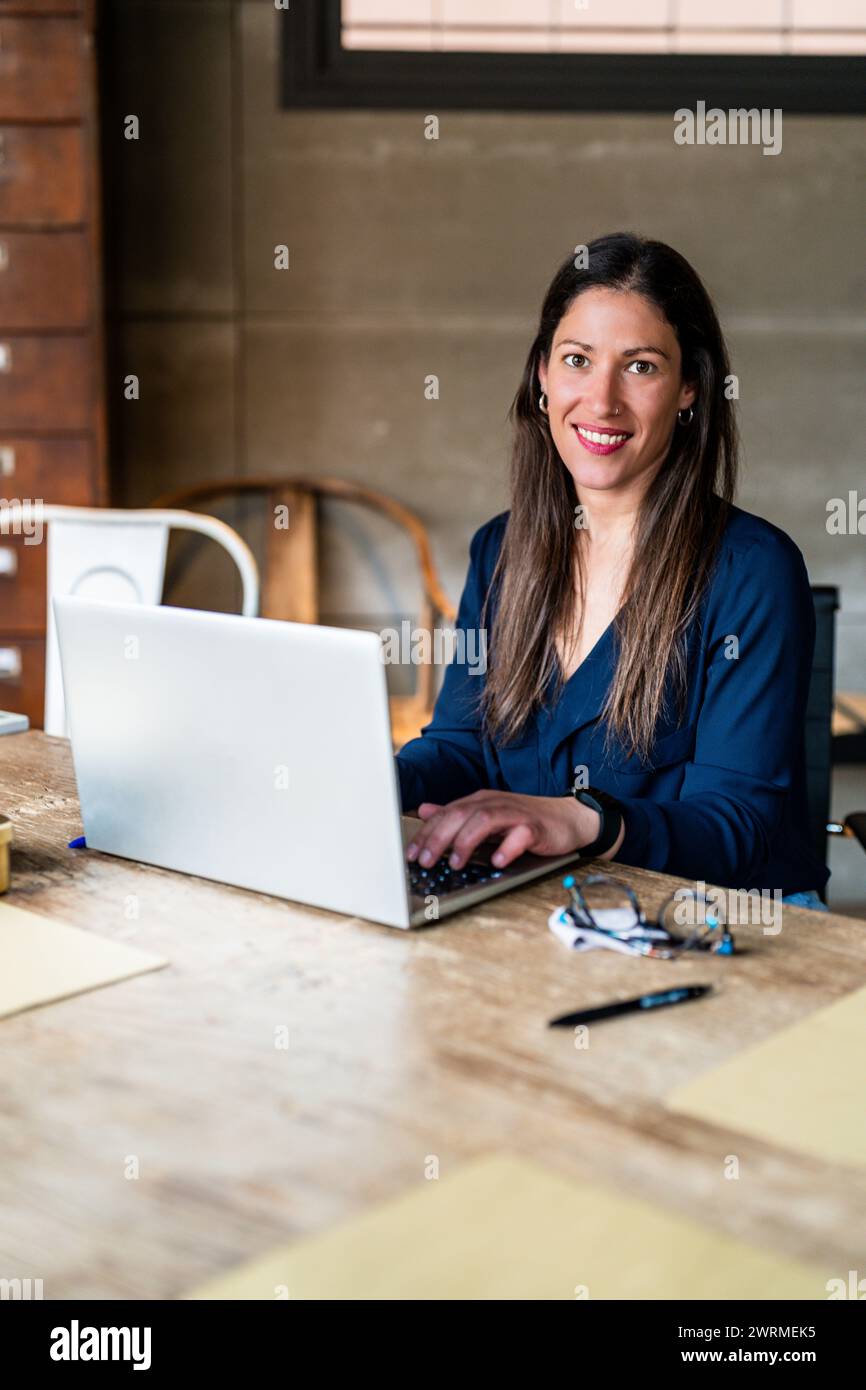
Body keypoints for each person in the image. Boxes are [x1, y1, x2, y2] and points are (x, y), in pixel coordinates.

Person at [397, 231, 829, 911]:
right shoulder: (499, 550)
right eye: (577, 360)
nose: (601, 401)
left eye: (641, 367)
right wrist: (359, 784)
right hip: (552, 902)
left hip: (728, 922)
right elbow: (458, 749)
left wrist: (581, 821)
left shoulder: (754, 571)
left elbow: (739, 824)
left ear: (689, 388)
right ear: (542, 375)